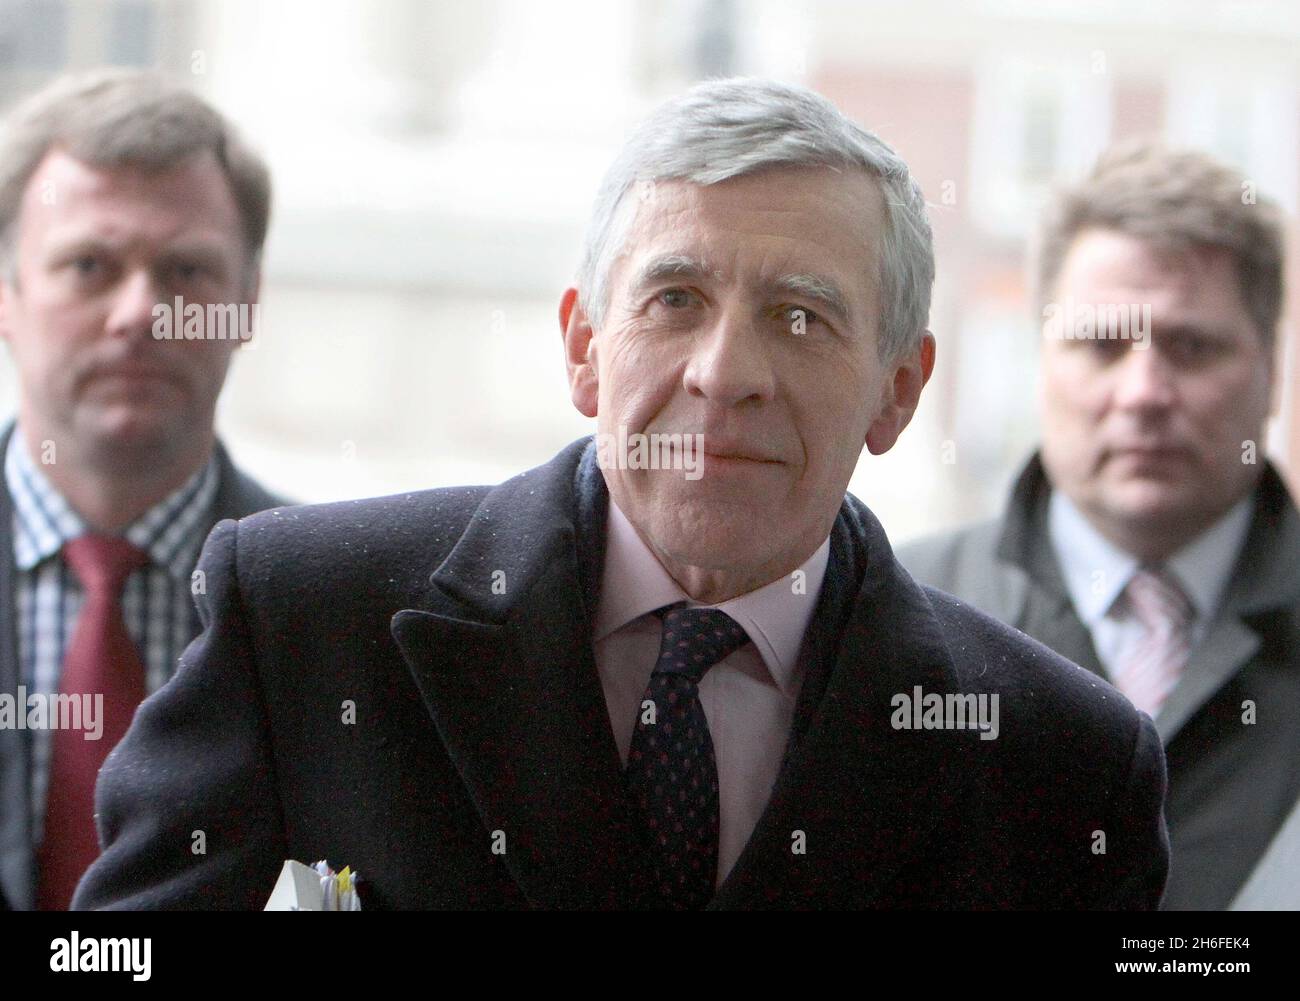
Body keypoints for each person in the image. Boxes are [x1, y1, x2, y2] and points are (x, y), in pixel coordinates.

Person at [75, 78, 1167, 910]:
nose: (724, 370)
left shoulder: (1060, 768)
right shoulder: (305, 617)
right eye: (676, 298)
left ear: (899, 388)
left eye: (800, 315)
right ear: (585, 347)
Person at [899, 141, 1298, 910]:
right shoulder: (895, 613)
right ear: (1040, 360)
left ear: (1272, 370)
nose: (1145, 391)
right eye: (1103, 344)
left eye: (1192, 346)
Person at [0, 69, 287, 910]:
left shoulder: (332, 602)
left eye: (187, 270)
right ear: (6, 294)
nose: (141, 312)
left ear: (248, 300)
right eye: (89, 265)